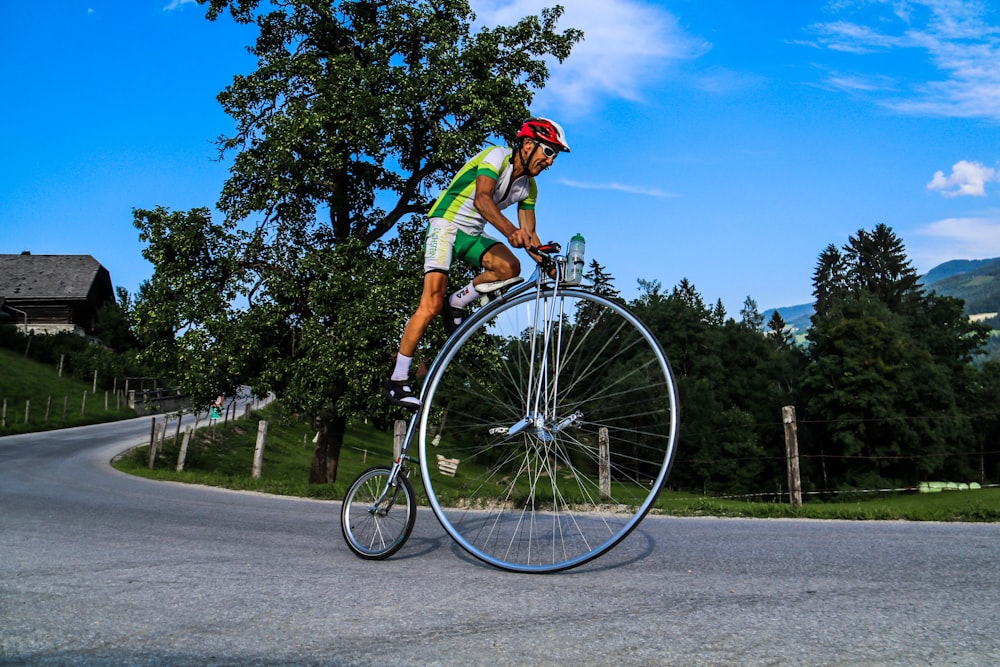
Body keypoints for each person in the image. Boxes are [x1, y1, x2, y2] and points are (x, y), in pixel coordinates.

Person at [383, 117, 571, 409]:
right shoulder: (496, 156)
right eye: (549, 153)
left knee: (509, 268)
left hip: (472, 234)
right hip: (445, 226)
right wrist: (510, 233)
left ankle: (456, 302)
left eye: (555, 156)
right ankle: (397, 379)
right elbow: (483, 199)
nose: (550, 162)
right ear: (529, 144)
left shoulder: (529, 188)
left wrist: (548, 264)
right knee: (430, 305)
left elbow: (530, 235)